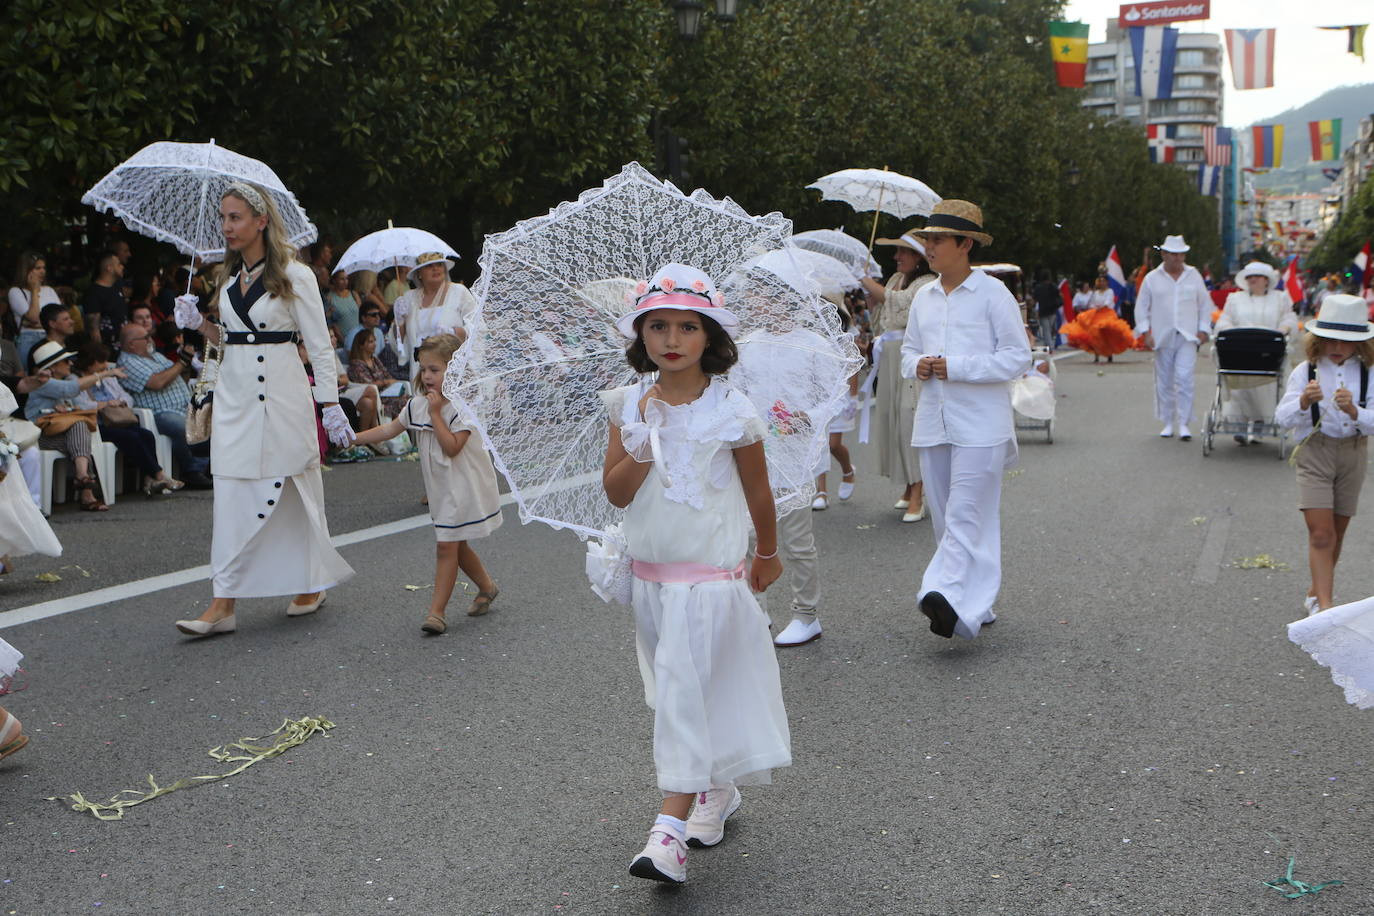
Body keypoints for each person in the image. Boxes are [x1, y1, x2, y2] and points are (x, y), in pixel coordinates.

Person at [600, 264, 789, 884]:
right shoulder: (627, 403)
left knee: (683, 692)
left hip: (711, 579)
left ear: (710, 336)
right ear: (641, 335)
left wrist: (767, 552)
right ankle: (717, 788)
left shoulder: (732, 407)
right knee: (678, 695)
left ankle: (667, 834)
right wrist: (644, 438)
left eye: (688, 326)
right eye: (658, 326)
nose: (672, 339)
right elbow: (618, 494)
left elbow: (758, 491)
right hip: (652, 578)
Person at [170, 181, 355, 638]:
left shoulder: (297, 274)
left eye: (235, 217)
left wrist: (329, 403)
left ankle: (311, 583)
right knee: (231, 495)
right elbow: (229, 342)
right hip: (235, 400)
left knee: (297, 490)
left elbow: (319, 345)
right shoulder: (227, 279)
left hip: (285, 395)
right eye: (223, 217)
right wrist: (199, 325)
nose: (226, 226)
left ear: (261, 221)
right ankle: (222, 604)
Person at [901, 200, 1030, 640]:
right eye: (927, 240)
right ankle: (975, 603)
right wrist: (917, 365)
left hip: (981, 425)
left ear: (965, 244)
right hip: (933, 420)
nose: (929, 248)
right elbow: (907, 353)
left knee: (965, 514)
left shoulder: (994, 293)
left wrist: (957, 367)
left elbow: (1017, 357)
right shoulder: (924, 296)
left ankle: (941, 592)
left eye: (937, 240)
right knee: (945, 518)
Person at [353, 334, 502, 631]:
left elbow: (452, 447)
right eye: (424, 369)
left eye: (435, 369)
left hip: (463, 487)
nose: (427, 376)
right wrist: (352, 438)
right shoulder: (417, 404)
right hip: (441, 489)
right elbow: (389, 430)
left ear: (454, 369)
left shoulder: (462, 407)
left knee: (447, 546)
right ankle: (487, 586)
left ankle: (437, 612)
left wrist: (436, 414)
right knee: (455, 546)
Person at [1274, 294, 1374, 616]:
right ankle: (1326, 608)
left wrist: (1355, 411)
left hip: (1353, 453)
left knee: (1338, 531)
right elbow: (1281, 417)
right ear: (1318, 337)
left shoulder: (1369, 373)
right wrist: (1303, 402)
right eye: (1331, 338)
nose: (1338, 347)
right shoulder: (1307, 371)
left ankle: (1317, 591)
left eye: (1347, 341)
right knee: (1321, 532)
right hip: (1315, 451)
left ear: (1360, 343)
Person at [860, 232, 934, 521]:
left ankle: (919, 492)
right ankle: (908, 486)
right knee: (892, 419)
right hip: (889, 355)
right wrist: (870, 297)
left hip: (910, 356)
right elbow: (883, 313)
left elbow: (901, 305)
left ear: (918, 256)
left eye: (903, 252)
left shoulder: (926, 284)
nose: (897, 257)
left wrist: (869, 283)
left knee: (909, 420)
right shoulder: (893, 279)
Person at [23, 341, 124, 511]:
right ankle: (86, 490)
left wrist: (68, 409)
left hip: (61, 435)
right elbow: (71, 389)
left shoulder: (61, 381)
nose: (70, 363)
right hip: (39, 436)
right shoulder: (44, 383)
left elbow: (81, 406)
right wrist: (106, 374)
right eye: (65, 361)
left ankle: (82, 476)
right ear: (53, 367)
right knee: (81, 435)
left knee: (80, 432)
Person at [72, 345, 181, 495]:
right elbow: (80, 405)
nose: (105, 365)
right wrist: (105, 404)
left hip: (118, 420)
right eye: (101, 361)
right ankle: (159, 475)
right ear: (89, 363)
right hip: (97, 426)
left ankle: (150, 478)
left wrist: (120, 401)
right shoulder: (76, 381)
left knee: (146, 435)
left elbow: (128, 398)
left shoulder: (107, 379)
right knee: (131, 437)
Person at [117, 322, 213, 489]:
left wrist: (184, 361)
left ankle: (208, 467)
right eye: (145, 337)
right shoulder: (127, 362)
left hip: (185, 406)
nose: (150, 340)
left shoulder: (155, 356)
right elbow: (157, 382)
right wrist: (182, 362)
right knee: (182, 426)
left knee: (216, 419)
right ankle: (192, 471)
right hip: (160, 413)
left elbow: (174, 375)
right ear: (132, 344)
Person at [1134, 235, 1211, 441]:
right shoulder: (1152, 278)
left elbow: (1205, 304)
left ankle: (1184, 422)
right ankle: (1167, 421)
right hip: (1162, 335)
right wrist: (1145, 332)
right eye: (1173, 254)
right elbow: (1141, 307)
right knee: (1164, 381)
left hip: (1187, 335)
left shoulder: (1193, 275)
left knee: (1184, 379)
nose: (1177, 258)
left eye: (1181, 254)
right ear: (1164, 255)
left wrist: (1204, 329)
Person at [1215, 261, 1299, 445]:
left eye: (1256, 276)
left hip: (1269, 352)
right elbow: (1224, 319)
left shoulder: (1281, 298)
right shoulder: (1234, 299)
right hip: (1240, 350)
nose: (1252, 280)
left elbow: (1289, 318)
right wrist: (1228, 330)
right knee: (1240, 387)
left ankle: (1262, 422)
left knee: (1267, 387)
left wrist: (1284, 328)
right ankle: (1240, 427)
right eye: (1249, 277)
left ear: (1266, 280)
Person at [812, 294, 859, 510]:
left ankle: (848, 471)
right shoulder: (811, 336)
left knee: (833, 444)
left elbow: (853, 369)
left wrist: (853, 397)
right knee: (819, 443)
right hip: (818, 396)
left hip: (839, 395)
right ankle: (821, 491)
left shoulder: (843, 338)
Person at [392, 252, 476, 372]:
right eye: (429, 266)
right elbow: (399, 341)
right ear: (419, 273)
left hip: (451, 366)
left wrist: (455, 332)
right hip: (421, 369)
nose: (435, 269)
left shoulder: (459, 292)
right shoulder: (409, 298)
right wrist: (399, 321)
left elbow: (478, 327)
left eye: (439, 265)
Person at [8, 253, 60, 369]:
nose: (42, 272)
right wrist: (34, 291)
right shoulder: (16, 292)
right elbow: (34, 317)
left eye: (44, 268)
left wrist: (37, 324)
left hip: (51, 337)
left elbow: (59, 318)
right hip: (29, 339)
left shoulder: (49, 290)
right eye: (37, 268)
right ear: (26, 270)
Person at [347, 322, 408, 419]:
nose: (375, 344)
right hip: (375, 396)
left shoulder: (375, 360)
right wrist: (385, 382)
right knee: (401, 402)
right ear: (361, 345)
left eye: (374, 341)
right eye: (370, 342)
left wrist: (389, 382)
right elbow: (368, 385)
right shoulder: (356, 365)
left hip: (388, 392)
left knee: (408, 399)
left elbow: (387, 375)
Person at [84, 250, 129, 349]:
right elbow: (93, 328)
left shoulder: (117, 287)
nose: (122, 266)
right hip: (108, 348)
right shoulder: (94, 293)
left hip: (124, 344)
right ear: (109, 268)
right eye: (118, 264)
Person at [323, 269, 361, 339]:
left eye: (346, 279)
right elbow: (332, 322)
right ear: (334, 280)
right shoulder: (330, 297)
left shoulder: (354, 294)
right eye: (342, 279)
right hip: (342, 338)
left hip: (358, 336)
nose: (345, 282)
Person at [1030, 269, 1061, 350]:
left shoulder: (1038, 288)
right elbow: (1059, 296)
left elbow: (1034, 300)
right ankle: (1048, 345)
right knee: (1050, 329)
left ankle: (1049, 346)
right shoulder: (1053, 286)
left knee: (1046, 329)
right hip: (1052, 310)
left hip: (1043, 311)